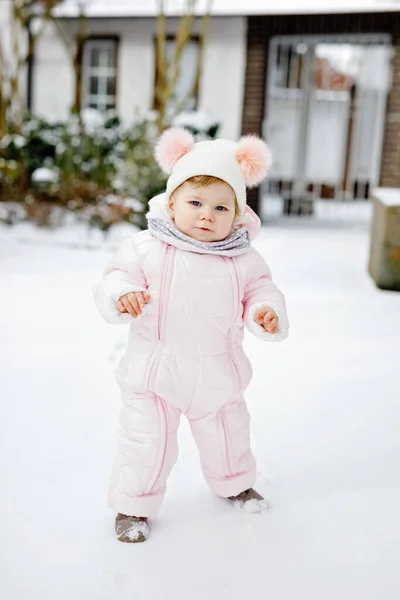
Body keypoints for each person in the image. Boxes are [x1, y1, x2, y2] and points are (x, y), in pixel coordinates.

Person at [94, 128, 289, 543]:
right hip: (155, 374)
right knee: (145, 442)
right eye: (196, 202)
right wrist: (122, 295)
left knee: (228, 433)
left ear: (237, 214)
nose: (207, 215)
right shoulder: (146, 248)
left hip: (218, 372)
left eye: (221, 207)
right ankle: (133, 505)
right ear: (172, 202)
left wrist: (264, 312)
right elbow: (115, 278)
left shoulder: (244, 259)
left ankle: (235, 482)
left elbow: (261, 291)